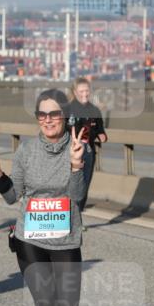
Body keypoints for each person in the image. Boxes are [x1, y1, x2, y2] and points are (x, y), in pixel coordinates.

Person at [0, 89, 89, 306]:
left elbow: (78, 197)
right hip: (30, 238)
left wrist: (77, 166)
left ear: (65, 116)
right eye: (42, 114)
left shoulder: (81, 148)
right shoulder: (27, 151)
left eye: (54, 114)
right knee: (46, 304)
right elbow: (11, 196)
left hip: (66, 238)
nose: (48, 120)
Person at [64, 77, 107, 211]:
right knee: (71, 184)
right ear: (75, 92)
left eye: (87, 91)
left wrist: (102, 136)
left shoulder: (95, 111)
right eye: (81, 91)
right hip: (70, 151)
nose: (84, 94)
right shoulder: (67, 109)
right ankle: (66, 215)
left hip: (88, 151)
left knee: (84, 184)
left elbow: (101, 132)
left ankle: (77, 215)